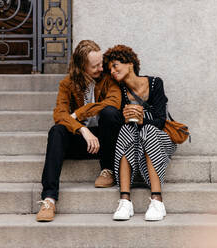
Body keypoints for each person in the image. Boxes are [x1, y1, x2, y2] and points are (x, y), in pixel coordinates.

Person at [36, 40, 123, 222]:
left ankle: (107, 169)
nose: (101, 68)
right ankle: (49, 199)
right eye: (95, 66)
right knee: (57, 130)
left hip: (105, 142)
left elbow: (114, 102)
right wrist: (82, 129)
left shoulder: (108, 79)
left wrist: (80, 113)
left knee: (109, 113)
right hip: (82, 140)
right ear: (81, 66)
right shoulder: (67, 84)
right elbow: (60, 114)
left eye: (101, 63)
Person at [103, 45, 177, 221]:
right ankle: (125, 201)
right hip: (134, 142)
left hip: (160, 138)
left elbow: (160, 120)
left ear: (129, 64)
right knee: (126, 129)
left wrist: (143, 120)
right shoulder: (119, 91)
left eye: (115, 65)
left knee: (149, 130)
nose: (112, 71)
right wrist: (126, 117)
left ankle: (157, 200)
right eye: (110, 69)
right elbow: (117, 121)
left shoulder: (155, 83)